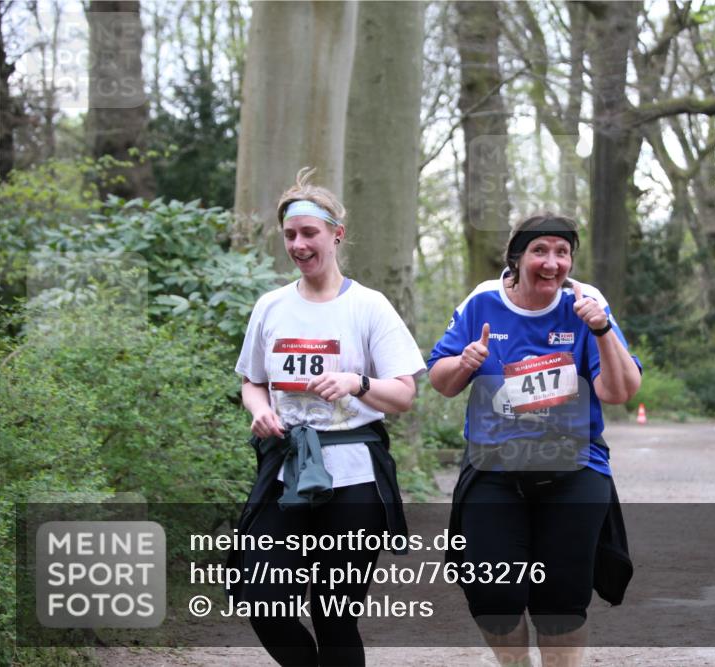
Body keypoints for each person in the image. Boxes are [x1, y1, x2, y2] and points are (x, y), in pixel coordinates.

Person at [428, 213, 642, 667]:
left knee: (561, 602)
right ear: (517, 257)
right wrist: (466, 361)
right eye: (540, 251)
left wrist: (601, 330)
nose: (552, 263)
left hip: (574, 471)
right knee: (492, 597)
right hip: (493, 472)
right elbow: (441, 382)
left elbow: (618, 393)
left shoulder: (587, 304)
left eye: (562, 252)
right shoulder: (483, 302)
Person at [231, 167, 426, 666]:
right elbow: (252, 380)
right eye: (290, 235)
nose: (298, 244)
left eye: (309, 233)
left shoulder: (369, 307)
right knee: (260, 595)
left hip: (354, 474)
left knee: (334, 613)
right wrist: (259, 411)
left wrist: (356, 383)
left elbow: (403, 394)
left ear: (335, 235)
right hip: (285, 470)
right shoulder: (270, 307)